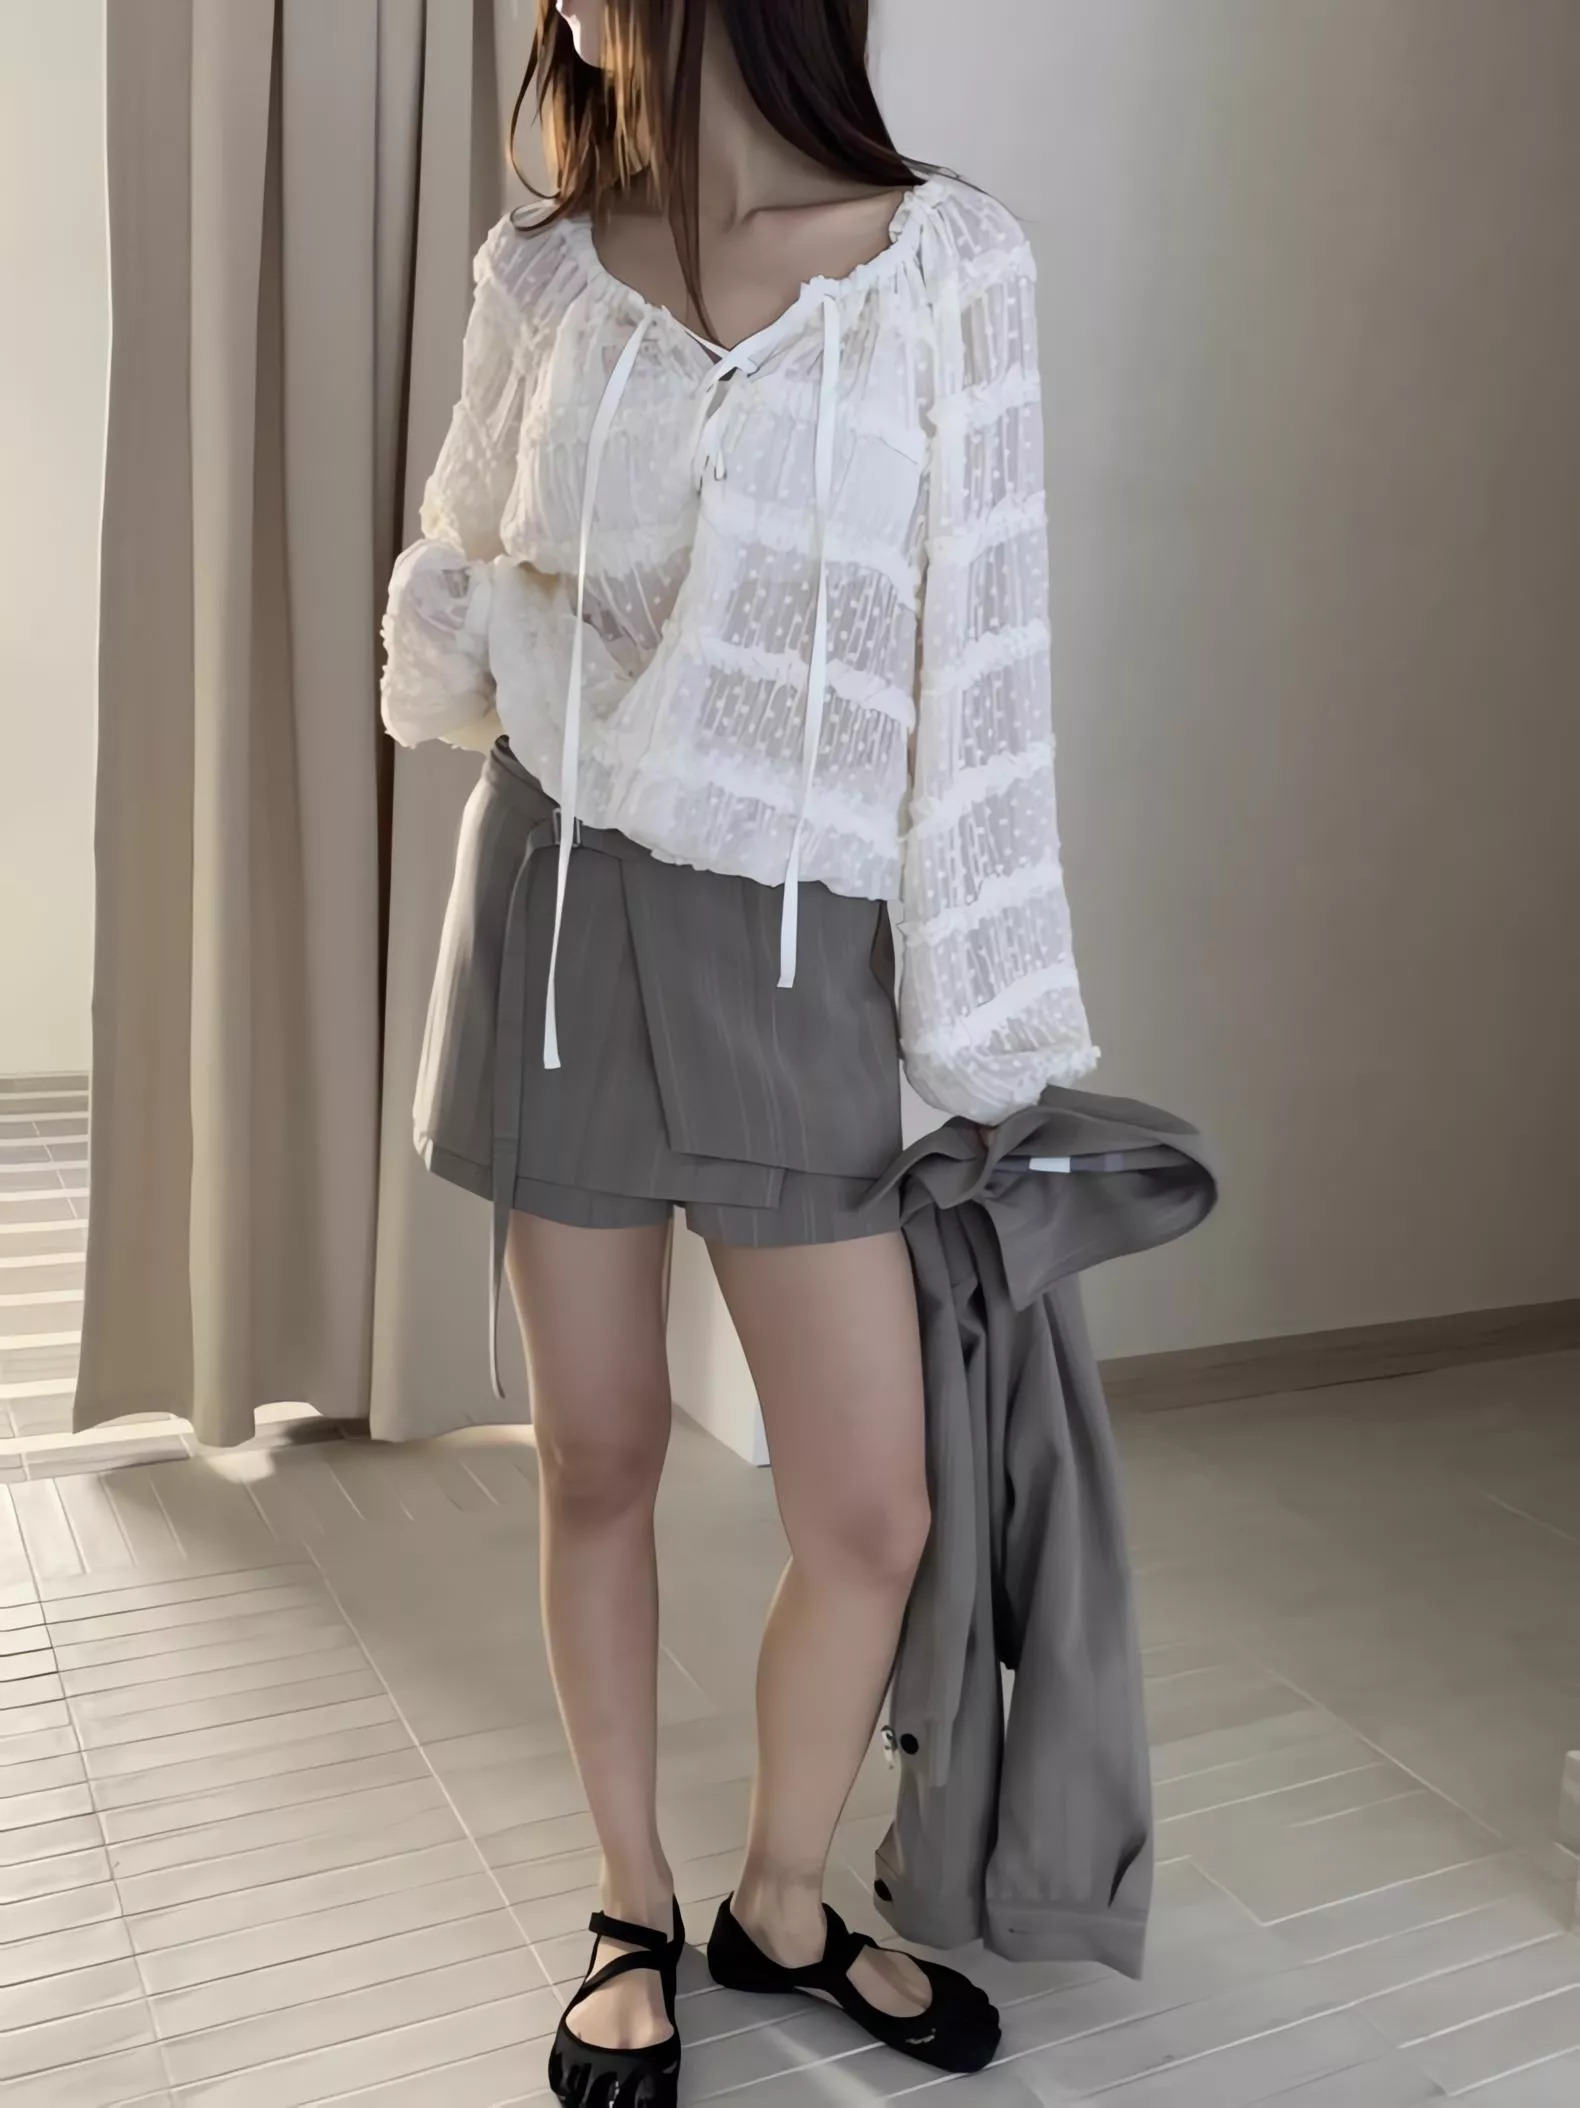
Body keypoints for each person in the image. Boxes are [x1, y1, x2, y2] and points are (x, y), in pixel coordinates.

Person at [380, 1, 1097, 2098]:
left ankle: (782, 1902)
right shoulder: (540, 271)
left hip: (803, 947)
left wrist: (976, 1025)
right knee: (597, 1456)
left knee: (868, 1507)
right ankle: (630, 1902)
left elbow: (981, 675)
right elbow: (449, 605)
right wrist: (486, 613)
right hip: (557, 913)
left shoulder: (948, 270)